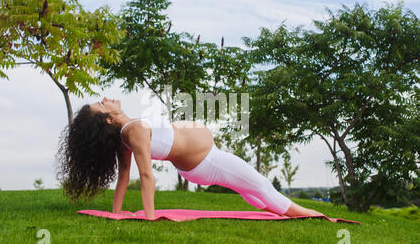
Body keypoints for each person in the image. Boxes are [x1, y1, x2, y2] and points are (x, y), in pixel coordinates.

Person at [57, 97, 323, 220]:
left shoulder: (128, 133)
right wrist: (150, 216)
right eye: (102, 104)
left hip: (204, 161)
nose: (106, 99)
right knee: (263, 186)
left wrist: (116, 213)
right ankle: (313, 215)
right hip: (206, 162)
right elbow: (145, 176)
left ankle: (280, 210)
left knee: (254, 195)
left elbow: (124, 177)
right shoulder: (134, 131)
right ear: (109, 118)